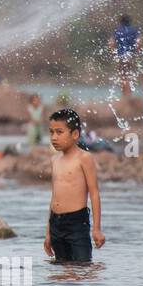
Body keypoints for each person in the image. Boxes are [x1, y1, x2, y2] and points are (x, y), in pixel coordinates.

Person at [44, 109, 105, 263]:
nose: (54, 137)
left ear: (75, 134)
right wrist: (48, 233)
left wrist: (96, 229)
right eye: (51, 132)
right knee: (61, 269)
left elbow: (94, 193)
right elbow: (54, 197)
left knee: (82, 267)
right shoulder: (55, 160)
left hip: (76, 223)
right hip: (56, 224)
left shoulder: (84, 158)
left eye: (59, 132)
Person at [109, 15, 142, 93]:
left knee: (122, 76)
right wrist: (136, 53)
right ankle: (129, 94)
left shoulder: (117, 31)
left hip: (121, 56)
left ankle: (125, 95)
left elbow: (111, 43)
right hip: (130, 55)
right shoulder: (134, 30)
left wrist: (114, 53)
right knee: (129, 76)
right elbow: (138, 43)